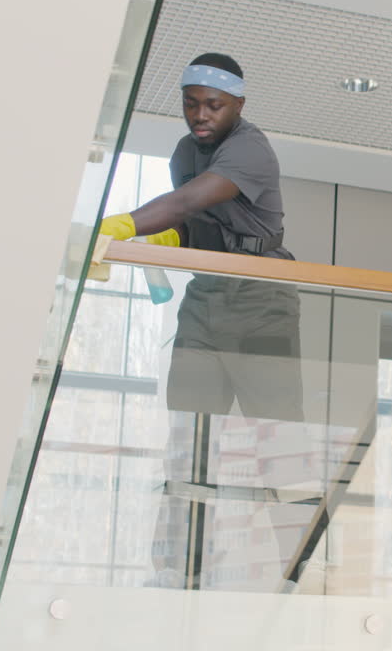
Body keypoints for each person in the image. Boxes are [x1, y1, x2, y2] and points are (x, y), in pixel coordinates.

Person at [98, 53, 307, 590]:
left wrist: (120, 224)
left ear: (238, 103)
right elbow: (191, 223)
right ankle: (178, 569)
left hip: (263, 302)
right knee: (189, 442)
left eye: (213, 104)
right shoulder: (184, 151)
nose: (201, 114)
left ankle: (305, 571)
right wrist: (166, 238)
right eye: (191, 103)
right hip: (205, 302)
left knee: (279, 447)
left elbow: (190, 199)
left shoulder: (250, 148)